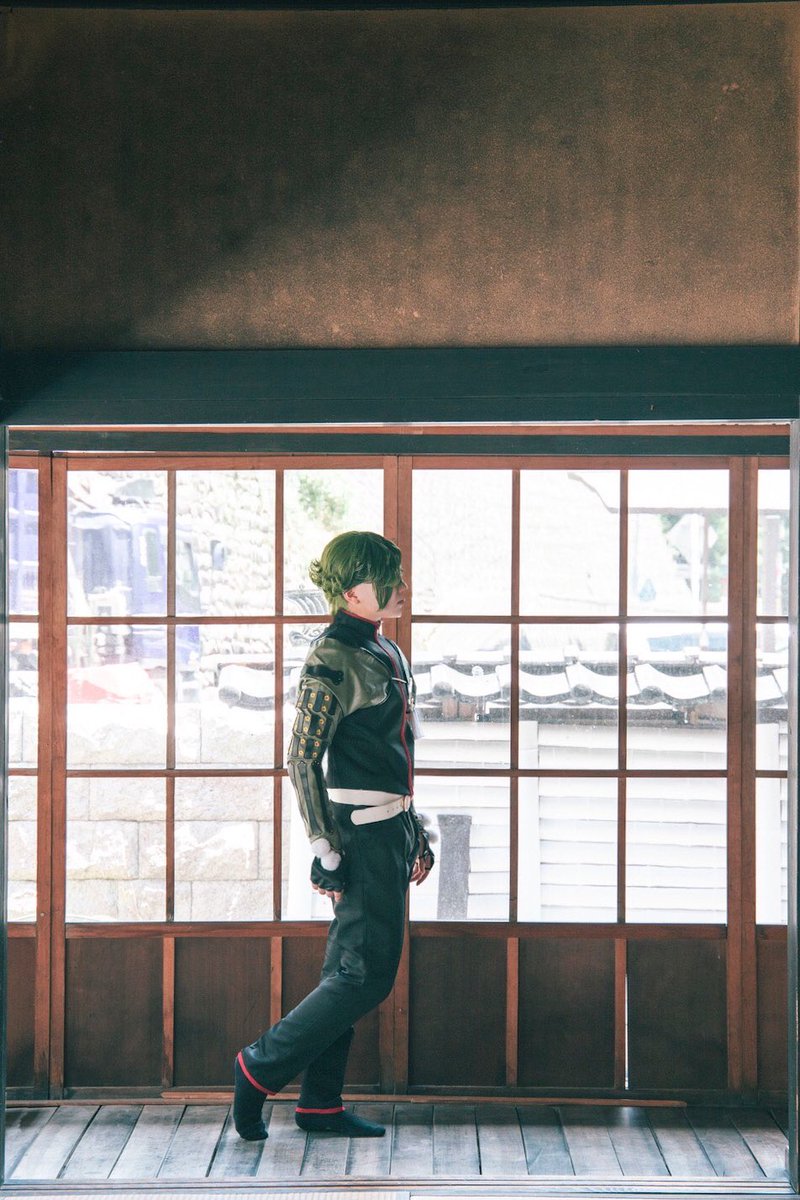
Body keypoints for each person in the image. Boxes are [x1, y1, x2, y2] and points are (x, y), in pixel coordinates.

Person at [233, 530, 434, 1141]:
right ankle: (259, 1067)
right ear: (351, 591)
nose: (401, 587)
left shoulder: (385, 649)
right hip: (358, 836)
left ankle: (319, 1104)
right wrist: (325, 847)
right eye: (388, 579)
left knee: (349, 971)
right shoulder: (332, 656)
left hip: (389, 830)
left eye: (399, 575)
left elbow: (393, 755)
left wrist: (414, 831)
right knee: (363, 976)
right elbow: (301, 759)